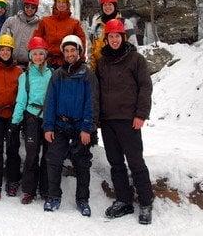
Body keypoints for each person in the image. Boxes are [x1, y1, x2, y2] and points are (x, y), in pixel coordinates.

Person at [95, 19, 154, 224]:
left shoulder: (136, 59)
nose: (113, 40)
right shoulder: (102, 62)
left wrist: (141, 114)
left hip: (129, 120)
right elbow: (97, 92)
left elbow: (145, 87)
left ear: (123, 37)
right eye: (110, 36)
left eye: (117, 36)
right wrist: (97, 118)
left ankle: (146, 203)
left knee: (136, 162)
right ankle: (124, 200)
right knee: (116, 163)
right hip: (108, 121)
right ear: (106, 39)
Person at [42, 35, 99, 217]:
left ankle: (82, 199)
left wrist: (87, 128)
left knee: (82, 162)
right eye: (66, 51)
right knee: (53, 159)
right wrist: (48, 127)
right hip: (60, 124)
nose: (69, 54)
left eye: (73, 50)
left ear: (79, 52)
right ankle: (53, 196)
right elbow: (50, 102)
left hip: (80, 126)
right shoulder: (57, 75)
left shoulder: (87, 74)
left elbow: (92, 102)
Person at [11, 36, 53, 204]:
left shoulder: (53, 75)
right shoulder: (25, 76)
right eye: (35, 54)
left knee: (48, 155)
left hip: (49, 117)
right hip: (31, 117)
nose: (38, 57)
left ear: (45, 55)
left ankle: (45, 188)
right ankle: (29, 190)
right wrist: (15, 122)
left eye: (41, 54)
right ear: (30, 56)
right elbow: (21, 100)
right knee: (32, 153)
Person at [0, 34, 23, 201]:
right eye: (3, 50)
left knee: (13, 149)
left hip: (13, 115)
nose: (5, 53)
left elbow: (22, 94)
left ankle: (13, 181)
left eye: (8, 50)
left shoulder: (19, 71)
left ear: (12, 51)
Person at [32, 0, 86, 69]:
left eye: (64, 2)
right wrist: (35, 58)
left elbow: (81, 42)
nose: (61, 4)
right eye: (59, 2)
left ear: (68, 4)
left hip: (68, 62)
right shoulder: (45, 21)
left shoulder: (74, 23)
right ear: (55, 3)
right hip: (47, 62)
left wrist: (81, 59)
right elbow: (37, 40)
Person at [89, 0, 138, 69]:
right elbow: (91, 50)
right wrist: (93, 70)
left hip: (121, 69)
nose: (107, 7)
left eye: (110, 4)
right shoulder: (96, 26)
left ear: (115, 6)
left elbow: (133, 48)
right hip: (101, 70)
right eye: (105, 5)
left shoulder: (126, 23)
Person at [0, 0, 41, 67]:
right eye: (27, 6)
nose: (29, 9)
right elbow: (1, 41)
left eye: (33, 7)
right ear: (23, 6)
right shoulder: (11, 21)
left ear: (36, 9)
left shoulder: (39, 25)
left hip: (30, 65)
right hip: (10, 63)